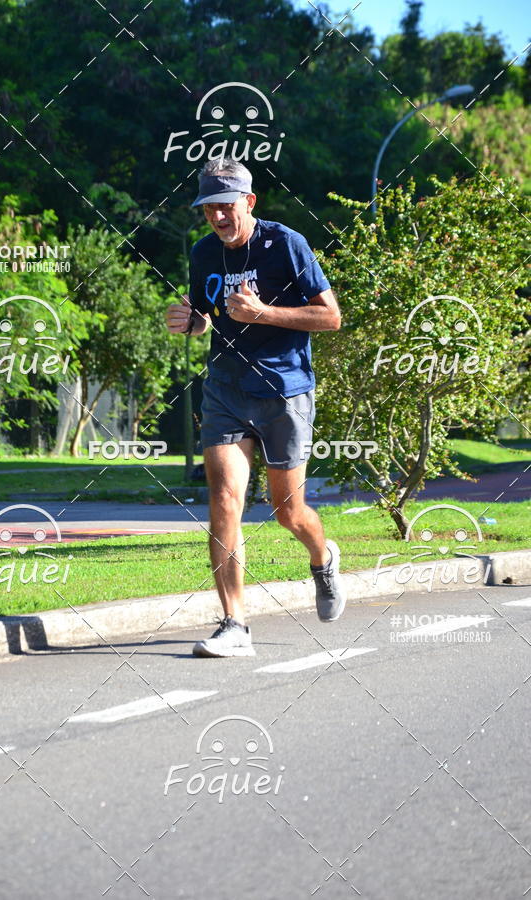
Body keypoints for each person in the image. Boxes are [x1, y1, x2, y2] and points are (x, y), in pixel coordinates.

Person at [165, 157, 346, 658]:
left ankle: (322, 557)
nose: (218, 217)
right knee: (224, 502)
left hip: (284, 389)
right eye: (209, 210)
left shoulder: (285, 243)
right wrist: (189, 321)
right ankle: (234, 624)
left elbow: (330, 317)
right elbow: (206, 318)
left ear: (249, 201)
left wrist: (265, 313)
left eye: (226, 206)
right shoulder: (204, 254)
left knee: (288, 511)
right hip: (225, 389)